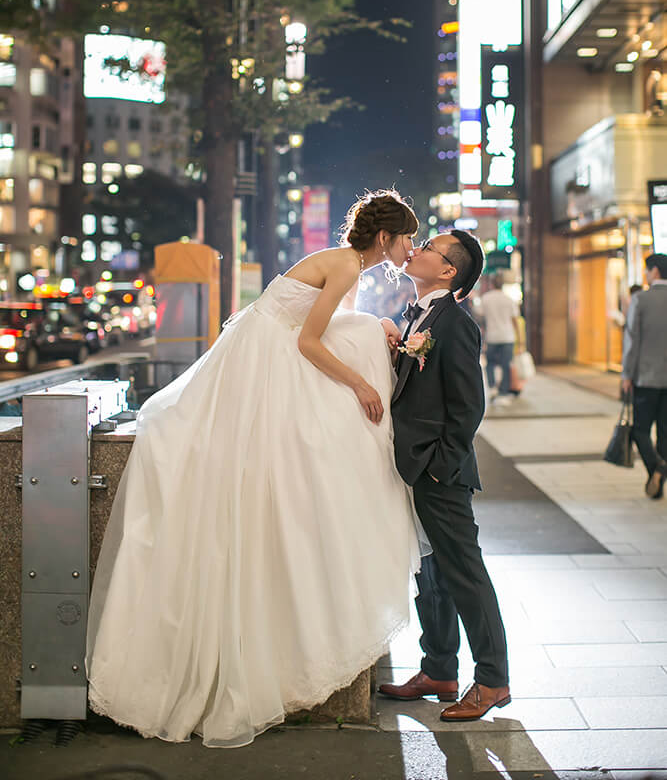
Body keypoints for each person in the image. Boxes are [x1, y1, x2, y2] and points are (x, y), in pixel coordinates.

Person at [86, 190, 422, 748]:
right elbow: (311, 343)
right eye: (408, 237)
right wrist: (363, 381)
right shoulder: (344, 263)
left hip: (264, 354)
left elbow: (321, 328)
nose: (411, 248)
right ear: (385, 238)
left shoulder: (348, 264)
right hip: (265, 364)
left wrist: (373, 328)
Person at [378, 232, 510, 721]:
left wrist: (439, 466)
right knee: (428, 573)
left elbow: (468, 405)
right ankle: (439, 669)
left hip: (438, 472)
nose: (419, 249)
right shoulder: (418, 315)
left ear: (448, 270)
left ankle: (493, 680)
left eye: (429, 246)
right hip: (413, 467)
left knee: (464, 574)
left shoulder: (454, 323)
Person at [621, 253, 667, 500]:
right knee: (665, 431)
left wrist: (627, 374)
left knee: (640, 430)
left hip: (645, 378)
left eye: (647, 271)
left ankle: (657, 468)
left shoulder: (641, 299)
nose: (646, 275)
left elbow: (632, 341)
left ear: (655, 271)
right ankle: (658, 480)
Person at [477, 272, 520, 406]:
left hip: (492, 337)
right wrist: (520, 339)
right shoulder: (509, 299)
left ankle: (492, 388)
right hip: (508, 337)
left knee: (489, 363)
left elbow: (479, 316)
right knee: (506, 365)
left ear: (491, 284)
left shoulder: (486, 298)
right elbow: (515, 320)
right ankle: (503, 393)